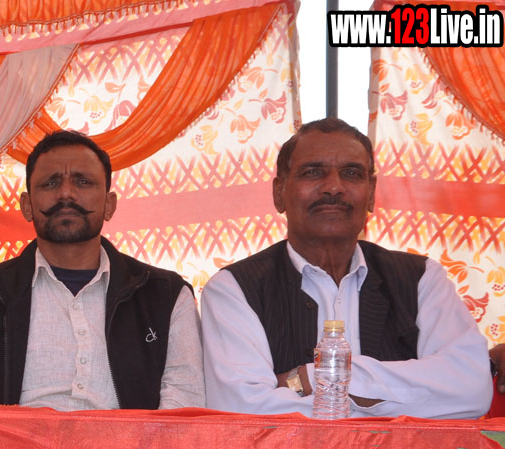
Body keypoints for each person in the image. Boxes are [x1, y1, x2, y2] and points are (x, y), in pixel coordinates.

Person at [200, 117, 491, 418]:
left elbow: (471, 389)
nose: (334, 187)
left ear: (371, 193)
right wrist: (401, 400)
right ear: (279, 193)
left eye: (351, 173)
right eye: (313, 172)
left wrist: (311, 377)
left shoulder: (421, 279)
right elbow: (243, 413)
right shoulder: (235, 289)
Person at [0, 129, 204, 409]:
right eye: (50, 183)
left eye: (83, 182)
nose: (66, 193)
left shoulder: (165, 296)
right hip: (12, 441)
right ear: (27, 206)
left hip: (134, 440)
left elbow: (181, 412)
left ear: (109, 205)